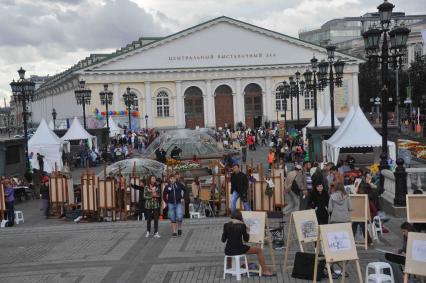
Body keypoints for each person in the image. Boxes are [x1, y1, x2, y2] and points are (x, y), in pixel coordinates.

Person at [221, 211, 274, 276]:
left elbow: (223, 240)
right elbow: (246, 239)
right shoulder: (242, 225)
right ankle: (265, 271)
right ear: (240, 218)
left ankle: (229, 268)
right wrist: (247, 231)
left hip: (228, 250)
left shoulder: (226, 225)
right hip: (239, 249)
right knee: (259, 250)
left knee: (230, 249)